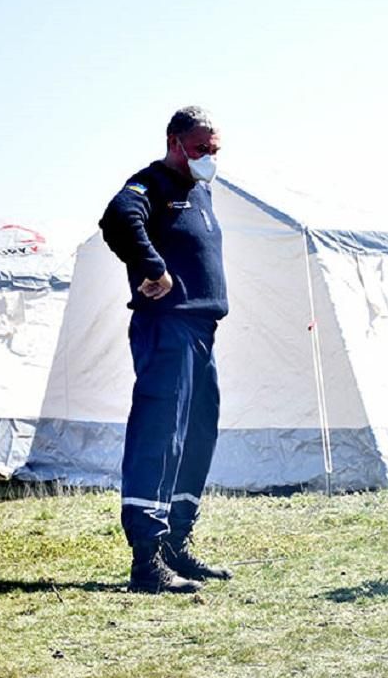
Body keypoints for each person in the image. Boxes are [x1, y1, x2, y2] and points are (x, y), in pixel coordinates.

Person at [99, 105, 232, 593]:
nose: (208, 158)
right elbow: (117, 218)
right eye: (200, 149)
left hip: (201, 331)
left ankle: (177, 544)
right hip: (166, 328)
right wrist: (153, 268)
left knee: (198, 436)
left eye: (214, 151)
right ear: (175, 142)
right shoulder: (149, 184)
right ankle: (147, 561)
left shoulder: (201, 191)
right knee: (160, 437)